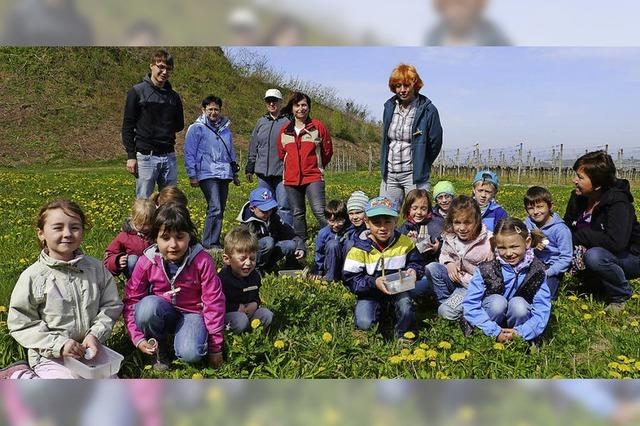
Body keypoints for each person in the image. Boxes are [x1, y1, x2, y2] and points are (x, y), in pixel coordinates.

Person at [2, 200, 123, 379]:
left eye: (75, 227)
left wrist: (95, 335)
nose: (67, 234)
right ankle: (19, 375)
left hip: (90, 351)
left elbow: (111, 306)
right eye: (58, 228)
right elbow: (21, 323)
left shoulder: (97, 270)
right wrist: (59, 345)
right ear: (41, 233)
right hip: (50, 356)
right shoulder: (33, 276)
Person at [123, 203, 225, 371]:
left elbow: (214, 302)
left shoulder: (202, 261)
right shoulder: (147, 261)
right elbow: (131, 300)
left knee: (191, 354)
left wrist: (215, 347)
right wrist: (138, 338)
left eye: (179, 237)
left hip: (192, 314)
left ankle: (187, 339)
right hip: (162, 310)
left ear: (189, 236)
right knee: (147, 307)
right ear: (155, 237)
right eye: (165, 237)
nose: (173, 245)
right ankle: (157, 349)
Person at [563, 150, 640, 312]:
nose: (574, 180)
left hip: (631, 256)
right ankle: (595, 284)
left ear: (597, 184)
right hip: (600, 252)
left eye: (580, 177)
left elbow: (616, 243)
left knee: (594, 256)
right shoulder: (578, 197)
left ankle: (620, 295)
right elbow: (567, 227)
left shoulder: (618, 203)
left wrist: (580, 237)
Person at [342, 196, 424, 340]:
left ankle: (403, 334)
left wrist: (414, 270)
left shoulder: (405, 243)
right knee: (364, 323)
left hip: (398, 289)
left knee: (405, 305)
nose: (382, 227)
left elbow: (416, 262)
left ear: (396, 222)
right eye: (376, 223)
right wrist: (374, 283)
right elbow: (350, 279)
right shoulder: (359, 248)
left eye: (387, 222)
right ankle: (380, 316)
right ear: (367, 223)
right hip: (370, 292)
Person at [462, 217, 552, 344]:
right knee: (497, 302)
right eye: (502, 248)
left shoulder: (537, 271)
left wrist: (521, 332)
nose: (509, 253)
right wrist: (494, 331)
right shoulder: (486, 269)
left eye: (514, 247)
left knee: (519, 305)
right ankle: (486, 340)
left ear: (527, 242)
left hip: (520, 323)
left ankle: (519, 341)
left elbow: (542, 308)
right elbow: (470, 304)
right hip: (488, 322)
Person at [122, 49, 184, 199]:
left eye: (168, 69)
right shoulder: (137, 92)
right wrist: (131, 155)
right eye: (161, 67)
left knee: (169, 204)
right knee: (143, 203)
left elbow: (179, 125)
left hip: (169, 156)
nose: (164, 72)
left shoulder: (174, 97)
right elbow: (128, 126)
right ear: (151, 66)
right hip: (145, 158)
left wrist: (164, 127)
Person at [379, 64, 443, 207]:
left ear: (415, 85)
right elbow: (387, 140)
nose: (402, 90)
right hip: (390, 174)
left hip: (414, 175)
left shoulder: (428, 110)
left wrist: (422, 162)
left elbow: (435, 142)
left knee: (418, 215)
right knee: (386, 214)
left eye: (406, 85)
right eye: (398, 86)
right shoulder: (389, 108)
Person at [184, 95, 240, 250]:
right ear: (203, 110)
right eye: (210, 109)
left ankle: (213, 240)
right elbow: (189, 152)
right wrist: (192, 174)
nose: (213, 112)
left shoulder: (225, 130)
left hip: (224, 174)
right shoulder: (196, 128)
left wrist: (234, 173)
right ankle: (208, 243)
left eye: (216, 109)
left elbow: (231, 152)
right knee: (214, 206)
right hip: (206, 173)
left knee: (220, 208)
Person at [426, 195, 492, 324]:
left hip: (471, 287)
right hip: (455, 280)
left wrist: (465, 278)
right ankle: (447, 302)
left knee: (445, 312)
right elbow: (444, 253)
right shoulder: (451, 236)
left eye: (467, 222)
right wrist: (449, 263)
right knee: (432, 268)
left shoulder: (488, 242)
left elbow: (488, 276)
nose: (462, 228)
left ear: (477, 221)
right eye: (457, 222)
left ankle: (458, 309)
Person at [277, 91, 333, 241]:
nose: (301, 108)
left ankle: (333, 237)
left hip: (313, 176)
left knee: (319, 210)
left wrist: (317, 165)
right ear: (292, 108)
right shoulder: (285, 131)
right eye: (297, 105)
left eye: (304, 105)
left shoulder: (317, 127)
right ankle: (301, 243)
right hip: (291, 179)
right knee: (297, 212)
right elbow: (282, 154)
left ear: (308, 107)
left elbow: (327, 152)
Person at [246, 89, 293, 225]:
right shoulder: (261, 122)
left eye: (274, 101)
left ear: (280, 102)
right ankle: (267, 233)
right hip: (263, 173)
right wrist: (250, 164)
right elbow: (254, 144)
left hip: (281, 172)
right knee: (264, 206)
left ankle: (287, 236)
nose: (271, 103)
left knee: (283, 206)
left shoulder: (287, 122)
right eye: (268, 101)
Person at [236, 187, 306, 273]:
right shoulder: (246, 225)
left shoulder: (274, 217)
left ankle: (290, 267)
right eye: (264, 210)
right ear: (252, 209)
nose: (268, 213)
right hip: (252, 256)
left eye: (270, 209)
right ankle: (256, 270)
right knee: (268, 241)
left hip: (270, 252)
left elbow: (291, 234)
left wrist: (300, 247)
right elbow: (244, 250)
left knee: (291, 244)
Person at [219, 227, 274, 333]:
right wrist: (235, 307)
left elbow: (255, 295)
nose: (248, 263)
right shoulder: (222, 279)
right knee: (240, 320)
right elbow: (217, 304)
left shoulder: (254, 276)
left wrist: (255, 303)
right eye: (242, 259)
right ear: (227, 259)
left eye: (252, 259)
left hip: (249, 312)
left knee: (266, 314)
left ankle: (254, 335)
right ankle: (231, 334)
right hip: (230, 314)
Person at [523, 186, 572, 300]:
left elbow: (566, 257)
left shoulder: (561, 229)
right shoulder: (527, 225)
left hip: (552, 267)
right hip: (531, 263)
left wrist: (549, 272)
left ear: (550, 206)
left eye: (540, 207)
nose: (535, 212)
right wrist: (532, 247)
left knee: (545, 296)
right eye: (531, 208)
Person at [398, 189, 442, 297]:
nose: (419, 212)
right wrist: (409, 245)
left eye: (423, 208)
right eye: (414, 208)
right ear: (408, 208)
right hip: (412, 270)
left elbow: (448, 246)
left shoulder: (437, 224)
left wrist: (437, 247)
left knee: (418, 288)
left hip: (429, 270)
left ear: (429, 209)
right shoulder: (403, 228)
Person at [103, 198, 156, 278]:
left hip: (153, 270)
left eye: (149, 224)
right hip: (134, 272)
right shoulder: (125, 236)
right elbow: (109, 254)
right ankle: (134, 285)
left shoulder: (157, 233)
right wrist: (117, 261)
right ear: (133, 220)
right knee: (132, 259)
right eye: (141, 224)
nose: (146, 227)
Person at [425, 0, 511, 46]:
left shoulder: (496, 38)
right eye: (449, 4)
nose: (456, 12)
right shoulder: (433, 36)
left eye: (461, 3)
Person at [314, 200, 349, 282]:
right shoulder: (323, 233)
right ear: (326, 219)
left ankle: (348, 277)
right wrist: (318, 271)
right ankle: (330, 279)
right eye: (332, 221)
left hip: (345, 264)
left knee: (350, 243)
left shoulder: (350, 230)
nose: (336, 225)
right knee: (333, 244)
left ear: (345, 218)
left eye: (340, 220)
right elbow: (319, 253)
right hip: (330, 264)